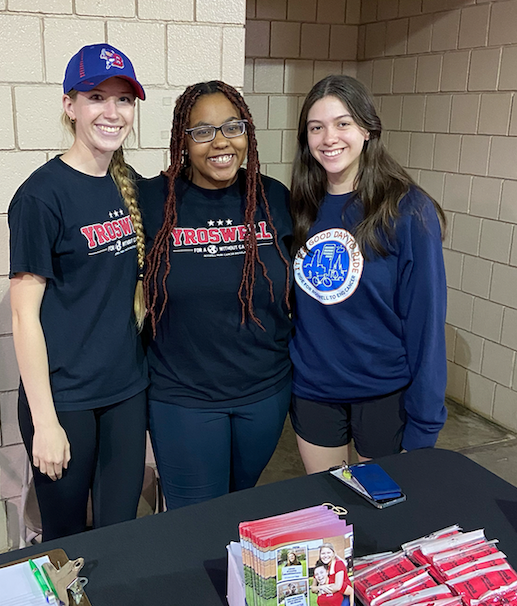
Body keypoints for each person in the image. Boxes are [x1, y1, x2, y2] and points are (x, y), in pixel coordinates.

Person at [8, 43, 148, 540]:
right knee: (66, 540)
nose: (112, 112)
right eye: (96, 97)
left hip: (126, 392)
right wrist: (44, 421)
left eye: (124, 100)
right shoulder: (40, 196)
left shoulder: (126, 182)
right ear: (70, 105)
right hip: (65, 399)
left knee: (120, 533)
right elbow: (24, 316)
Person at [138, 81, 293, 509]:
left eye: (232, 127)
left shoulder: (274, 198)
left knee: (241, 509)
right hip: (184, 398)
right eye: (203, 131)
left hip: (265, 393)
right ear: (183, 141)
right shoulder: (152, 200)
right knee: (197, 522)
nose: (221, 141)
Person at [288, 74, 447, 473]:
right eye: (316, 127)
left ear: (367, 128)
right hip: (315, 391)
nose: (329, 138)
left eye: (343, 123)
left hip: (384, 394)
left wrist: (425, 423)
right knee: (331, 513)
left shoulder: (408, 210)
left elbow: (425, 322)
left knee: (382, 515)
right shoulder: (300, 206)